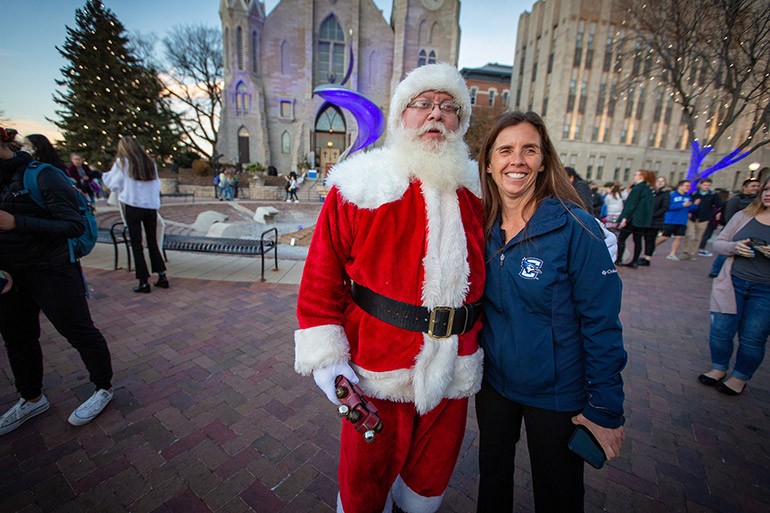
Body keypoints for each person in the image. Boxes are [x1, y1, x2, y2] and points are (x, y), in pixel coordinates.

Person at [294, 63, 485, 513]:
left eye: (448, 106)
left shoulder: (480, 190)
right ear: (402, 115)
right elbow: (322, 274)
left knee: (429, 480)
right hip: (377, 371)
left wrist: (579, 232)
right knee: (364, 483)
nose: (435, 115)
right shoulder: (360, 185)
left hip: (455, 366)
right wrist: (328, 359)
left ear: (460, 122)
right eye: (423, 104)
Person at [476, 111, 626, 513]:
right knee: (491, 483)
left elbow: (603, 324)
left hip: (557, 395)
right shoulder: (480, 227)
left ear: (544, 161)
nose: (517, 160)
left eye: (529, 150)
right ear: (488, 165)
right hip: (493, 386)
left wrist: (605, 408)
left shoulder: (578, 228)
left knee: (557, 497)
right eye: (505, 150)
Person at [0, 126, 113, 435]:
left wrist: (16, 223)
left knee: (78, 331)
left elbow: (72, 225)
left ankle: (103, 387)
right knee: (18, 340)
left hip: (52, 270)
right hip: (9, 278)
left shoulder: (42, 175)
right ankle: (31, 398)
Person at [698, 176, 770, 396]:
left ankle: (740, 377)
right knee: (720, 331)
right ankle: (719, 368)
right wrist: (735, 247)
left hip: (765, 290)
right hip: (732, 283)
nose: (767, 193)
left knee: (753, 337)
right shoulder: (744, 216)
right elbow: (720, 243)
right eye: (767, 189)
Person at [102, 136, 168, 293]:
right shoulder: (149, 162)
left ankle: (143, 281)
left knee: (137, 244)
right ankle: (162, 275)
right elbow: (156, 184)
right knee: (152, 241)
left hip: (133, 205)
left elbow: (113, 183)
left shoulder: (123, 162)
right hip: (150, 206)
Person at [710, 178, 761, 277]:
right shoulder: (737, 199)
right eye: (753, 186)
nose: (756, 188)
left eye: (758, 186)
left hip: (749, 232)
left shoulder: (757, 200)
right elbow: (729, 215)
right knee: (726, 252)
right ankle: (715, 271)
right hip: (734, 230)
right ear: (744, 187)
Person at [615, 170, 655, 268]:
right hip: (642, 221)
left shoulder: (637, 188)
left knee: (621, 239)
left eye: (636, 175)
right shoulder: (648, 190)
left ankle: (619, 259)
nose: (634, 176)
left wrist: (624, 217)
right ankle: (635, 261)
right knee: (637, 241)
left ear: (641, 177)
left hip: (633, 219)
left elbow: (631, 205)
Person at [680, 178, 722, 260]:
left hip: (704, 219)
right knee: (688, 234)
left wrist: (718, 213)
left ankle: (692, 253)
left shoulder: (713, 195)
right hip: (693, 218)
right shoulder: (694, 194)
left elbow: (719, 205)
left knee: (698, 237)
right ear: (700, 185)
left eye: (708, 185)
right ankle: (685, 252)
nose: (706, 187)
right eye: (705, 185)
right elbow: (689, 204)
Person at [655, 179, 693, 260]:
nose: (688, 188)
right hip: (670, 220)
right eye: (686, 186)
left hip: (682, 221)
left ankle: (672, 254)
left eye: (689, 186)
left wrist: (694, 205)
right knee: (665, 237)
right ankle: (653, 246)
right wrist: (682, 205)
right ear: (680, 186)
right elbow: (668, 207)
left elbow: (690, 208)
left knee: (679, 237)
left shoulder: (688, 197)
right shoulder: (671, 195)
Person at [639, 175, 671, 266]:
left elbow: (665, 207)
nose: (660, 183)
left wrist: (653, 215)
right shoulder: (652, 193)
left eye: (662, 181)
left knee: (651, 239)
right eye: (658, 181)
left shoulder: (665, 194)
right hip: (648, 220)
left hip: (656, 221)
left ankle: (648, 258)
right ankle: (646, 256)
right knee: (646, 239)